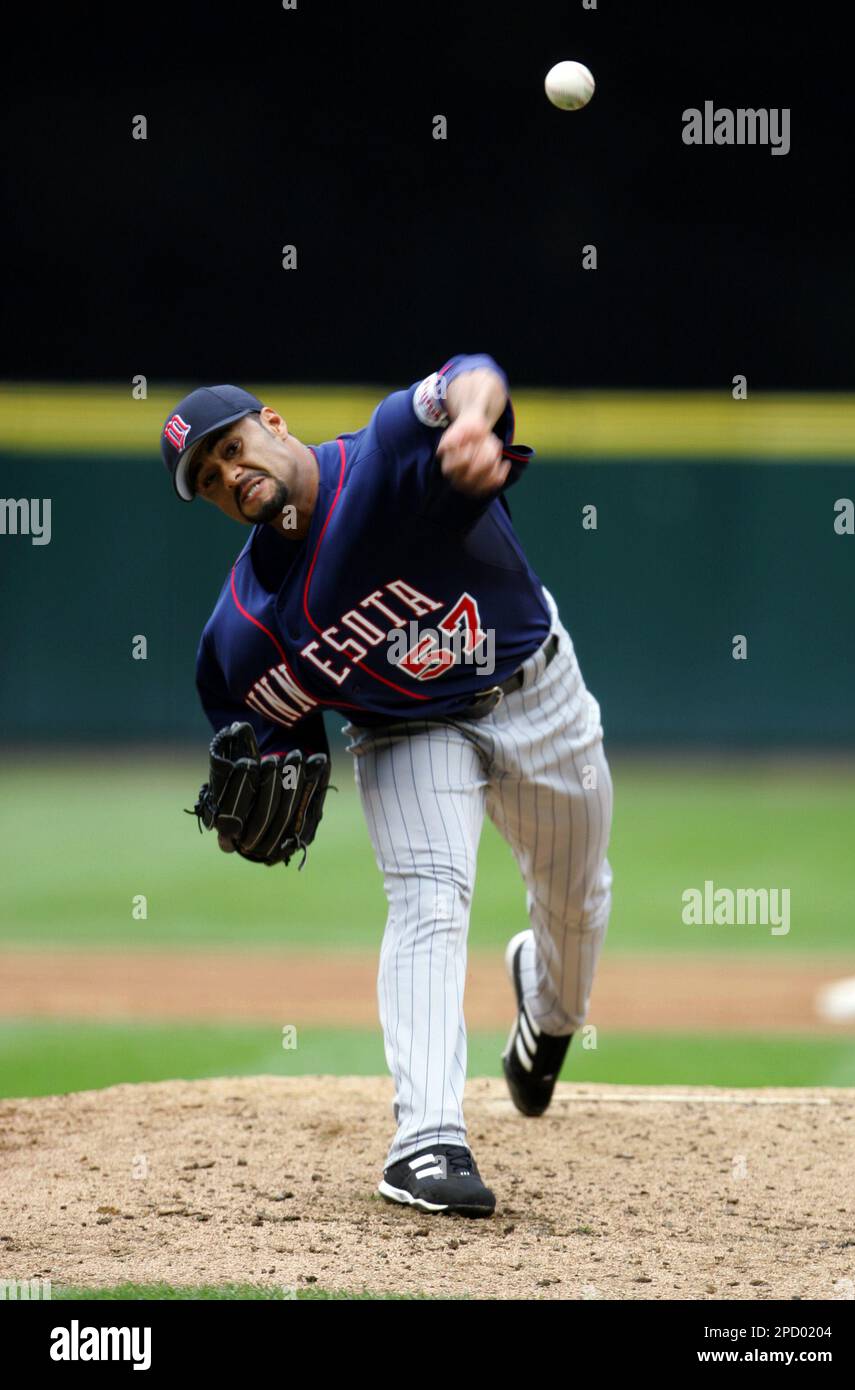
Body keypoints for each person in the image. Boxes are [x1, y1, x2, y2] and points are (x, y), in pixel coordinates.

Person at [160, 354, 613, 1217]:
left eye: (230, 446)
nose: (229, 473)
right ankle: (426, 1142)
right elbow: (261, 734)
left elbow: (471, 374)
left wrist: (475, 421)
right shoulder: (242, 634)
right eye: (208, 477)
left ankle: (548, 1012)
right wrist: (258, 786)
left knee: (577, 899)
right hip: (407, 730)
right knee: (429, 898)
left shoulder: (386, 450)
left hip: (536, 685)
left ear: (275, 424)